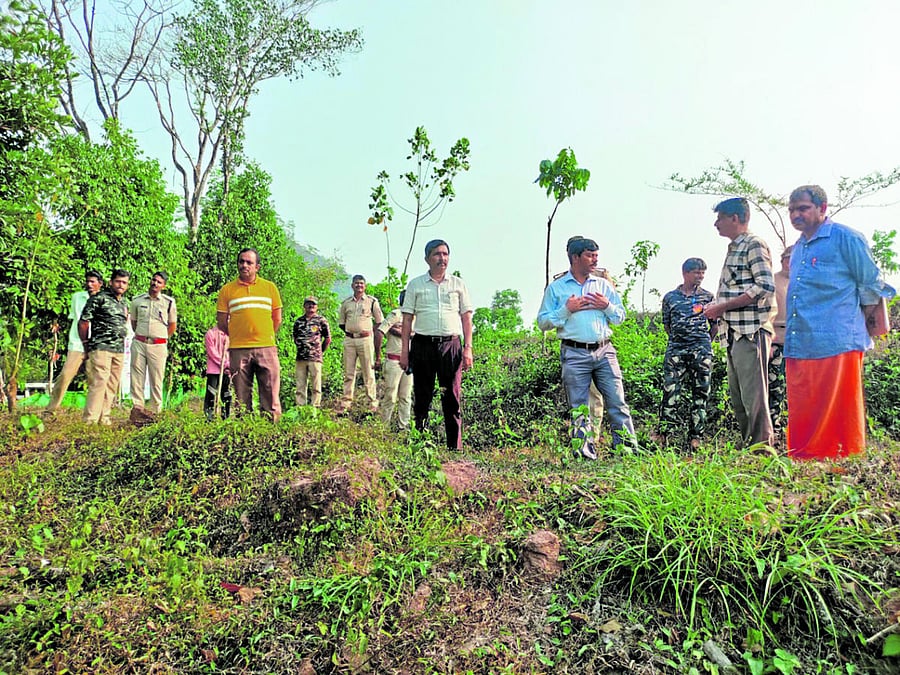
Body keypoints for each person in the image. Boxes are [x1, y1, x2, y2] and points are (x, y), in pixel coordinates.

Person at [784, 185, 896, 460]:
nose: (795, 215)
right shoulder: (797, 248)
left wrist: (863, 322)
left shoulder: (846, 238)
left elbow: (870, 283)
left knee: (839, 407)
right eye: (791, 210)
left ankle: (842, 460)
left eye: (803, 208)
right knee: (805, 404)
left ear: (823, 209)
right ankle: (805, 459)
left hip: (838, 337)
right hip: (802, 340)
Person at [538, 236, 636, 458]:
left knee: (617, 402)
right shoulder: (557, 288)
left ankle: (627, 450)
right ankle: (584, 453)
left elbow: (620, 316)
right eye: (589, 256)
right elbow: (543, 322)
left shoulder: (602, 285)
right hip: (573, 352)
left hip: (605, 350)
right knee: (580, 406)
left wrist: (607, 306)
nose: (594, 260)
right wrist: (566, 309)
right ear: (575, 257)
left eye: (596, 256)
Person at [703, 197, 776, 448]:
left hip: (751, 330)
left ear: (735, 218)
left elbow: (764, 286)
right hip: (733, 331)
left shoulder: (754, 244)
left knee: (754, 396)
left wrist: (722, 306)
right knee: (739, 396)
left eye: (720, 217)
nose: (716, 223)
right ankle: (750, 447)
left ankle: (762, 449)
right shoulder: (735, 248)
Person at [399, 239, 474, 450]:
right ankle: (419, 444)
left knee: (452, 396)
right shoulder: (415, 285)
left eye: (445, 254)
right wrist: (405, 352)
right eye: (437, 254)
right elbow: (406, 320)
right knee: (422, 396)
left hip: (451, 345)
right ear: (427, 259)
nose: (442, 258)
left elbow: (466, 318)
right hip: (422, 345)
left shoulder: (458, 284)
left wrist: (468, 348)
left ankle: (455, 448)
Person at [216, 248, 283, 421]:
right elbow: (222, 322)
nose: (244, 265)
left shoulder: (269, 288)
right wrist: (239, 335)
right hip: (238, 349)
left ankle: (272, 433)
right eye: (241, 261)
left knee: (270, 395)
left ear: (257, 267)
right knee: (241, 397)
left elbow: (277, 319)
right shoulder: (227, 290)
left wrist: (264, 336)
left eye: (249, 262)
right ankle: (245, 434)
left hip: (266, 348)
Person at [657, 258, 715, 450]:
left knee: (700, 393)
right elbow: (667, 324)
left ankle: (695, 437)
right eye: (696, 272)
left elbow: (714, 326)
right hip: (676, 350)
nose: (700, 276)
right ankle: (664, 434)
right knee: (670, 392)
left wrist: (703, 342)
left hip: (702, 350)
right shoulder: (670, 298)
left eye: (703, 273)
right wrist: (680, 339)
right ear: (685, 273)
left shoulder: (708, 297)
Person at [45, 270, 103, 413]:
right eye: (88, 281)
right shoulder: (78, 297)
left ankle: (95, 413)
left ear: (100, 284)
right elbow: (76, 319)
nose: (89, 284)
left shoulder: (104, 299)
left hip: (96, 344)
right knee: (65, 375)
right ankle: (51, 409)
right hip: (77, 343)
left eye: (93, 282)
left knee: (94, 379)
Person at [79, 269, 130, 425]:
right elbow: (83, 322)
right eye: (118, 281)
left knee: (112, 384)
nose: (121, 285)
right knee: (99, 382)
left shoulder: (124, 303)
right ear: (111, 282)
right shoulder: (99, 298)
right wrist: (86, 344)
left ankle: (104, 418)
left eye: (124, 282)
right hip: (101, 347)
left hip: (119, 349)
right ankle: (90, 420)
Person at [129, 271, 177, 414]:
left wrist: (160, 338)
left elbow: (172, 325)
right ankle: (138, 409)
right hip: (140, 343)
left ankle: (156, 411)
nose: (155, 283)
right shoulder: (137, 300)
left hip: (158, 345)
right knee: (137, 378)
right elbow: (134, 322)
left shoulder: (168, 302)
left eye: (159, 282)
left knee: (156, 379)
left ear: (164, 286)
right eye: (154, 280)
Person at [338, 275, 383, 413]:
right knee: (349, 372)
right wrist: (353, 331)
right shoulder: (346, 303)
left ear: (365, 286)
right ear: (352, 286)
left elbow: (379, 322)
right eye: (356, 283)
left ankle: (372, 402)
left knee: (368, 371)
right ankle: (346, 402)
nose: (359, 286)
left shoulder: (371, 302)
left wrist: (367, 332)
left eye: (361, 283)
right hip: (350, 340)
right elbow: (342, 323)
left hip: (365, 340)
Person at [377, 291, 413, 430]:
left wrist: (402, 331)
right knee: (390, 396)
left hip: (409, 363)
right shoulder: (395, 314)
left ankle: (403, 427)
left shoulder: (416, 317)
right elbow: (381, 331)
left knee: (406, 397)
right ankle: (383, 427)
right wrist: (378, 356)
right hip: (393, 361)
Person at [769, 245, 793, 436]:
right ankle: (773, 429)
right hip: (776, 340)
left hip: (801, 343)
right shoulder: (773, 281)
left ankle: (796, 429)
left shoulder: (805, 282)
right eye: (787, 258)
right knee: (775, 387)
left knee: (799, 388)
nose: (790, 262)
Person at [292, 296, 331, 407]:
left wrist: (319, 351)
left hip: (315, 358)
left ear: (317, 306)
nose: (311, 306)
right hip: (301, 358)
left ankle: (315, 408)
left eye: (313, 304)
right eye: (308, 304)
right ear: (304, 306)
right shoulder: (298, 321)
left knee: (316, 386)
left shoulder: (321, 321)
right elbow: (295, 337)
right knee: (300, 385)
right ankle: (300, 407)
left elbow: (327, 338)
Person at [204, 324, 231, 420]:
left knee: (227, 395)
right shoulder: (210, 334)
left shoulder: (230, 335)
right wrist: (224, 363)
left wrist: (229, 364)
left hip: (227, 371)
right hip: (213, 371)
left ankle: (225, 418)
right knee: (211, 394)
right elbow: (212, 352)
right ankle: (209, 418)